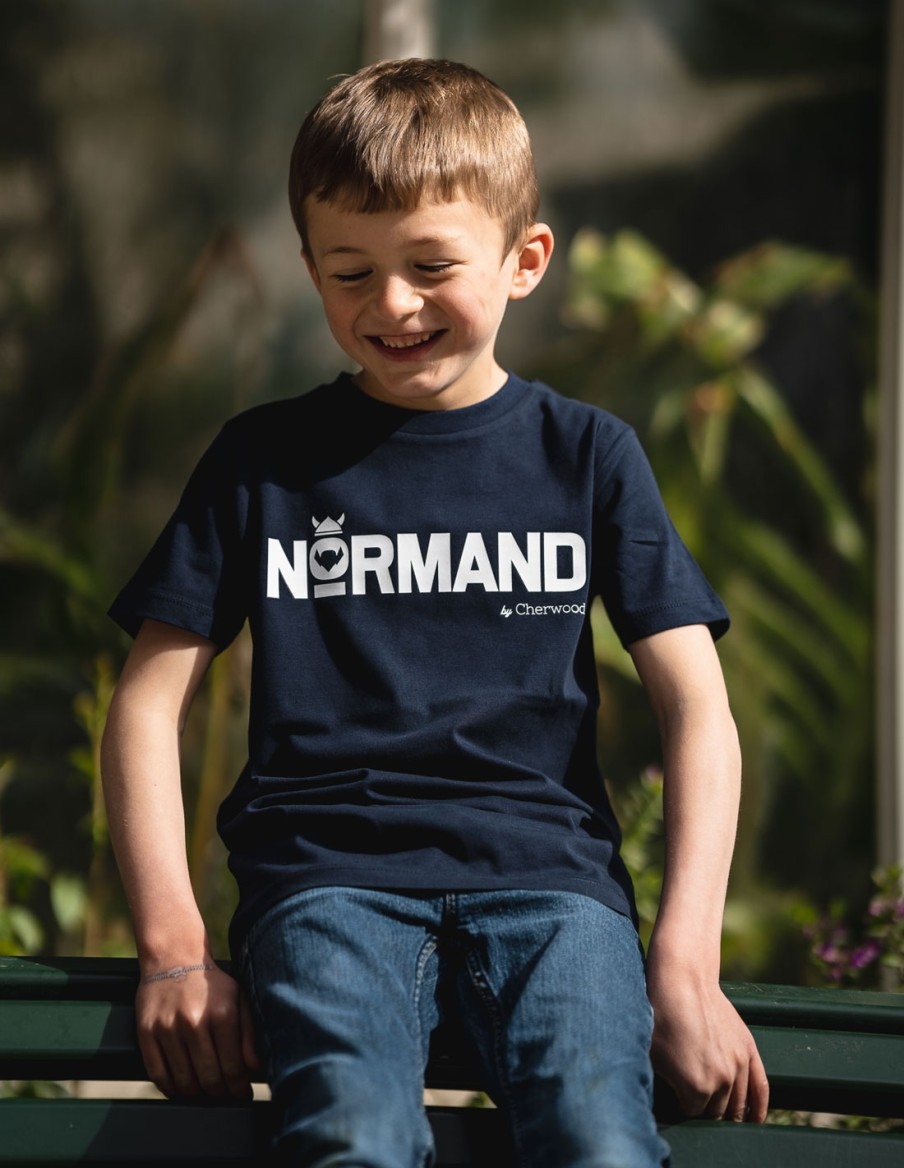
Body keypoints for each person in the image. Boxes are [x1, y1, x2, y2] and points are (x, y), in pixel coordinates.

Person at [100, 57, 769, 1168]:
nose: (393, 304)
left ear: (525, 260)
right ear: (310, 270)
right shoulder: (261, 461)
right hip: (326, 886)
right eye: (350, 272)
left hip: (555, 893)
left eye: (431, 265)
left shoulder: (589, 456)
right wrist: (173, 949)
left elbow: (698, 708)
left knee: (602, 1142)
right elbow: (143, 705)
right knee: (354, 1138)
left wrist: (686, 965)